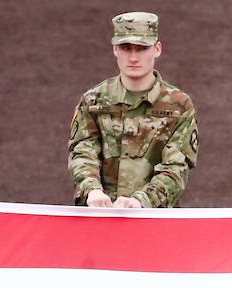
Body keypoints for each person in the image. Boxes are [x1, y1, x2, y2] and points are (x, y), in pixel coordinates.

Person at [69, 12, 198, 208]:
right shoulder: (93, 101)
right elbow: (82, 152)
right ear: (115, 49)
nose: (133, 57)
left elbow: (176, 168)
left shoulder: (178, 106)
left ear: (157, 49)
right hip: (100, 216)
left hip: (154, 221)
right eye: (126, 48)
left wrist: (141, 201)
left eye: (142, 48)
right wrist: (91, 189)